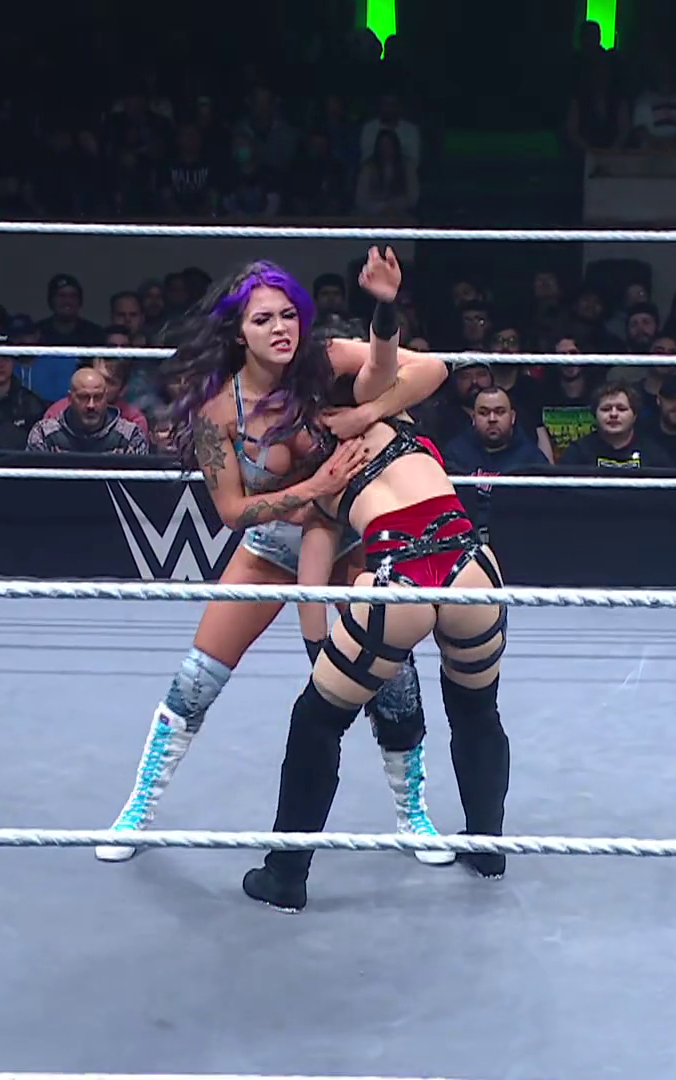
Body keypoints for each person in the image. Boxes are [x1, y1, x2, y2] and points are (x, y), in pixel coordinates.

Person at [95, 252, 456, 865]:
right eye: (264, 319)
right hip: (268, 549)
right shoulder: (218, 412)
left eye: (288, 314)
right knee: (196, 680)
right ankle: (138, 809)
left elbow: (430, 369)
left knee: (393, 678)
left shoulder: (325, 360)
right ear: (239, 332)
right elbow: (232, 511)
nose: (281, 328)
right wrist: (314, 487)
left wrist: (366, 411)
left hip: (348, 547)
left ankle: (412, 814)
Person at [243, 321, 512, 913]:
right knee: (476, 709)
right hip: (470, 562)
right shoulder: (401, 417)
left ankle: (285, 874)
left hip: (399, 575)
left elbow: (313, 569)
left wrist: (317, 647)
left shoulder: (324, 468)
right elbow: (421, 366)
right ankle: (488, 847)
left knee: (317, 720)